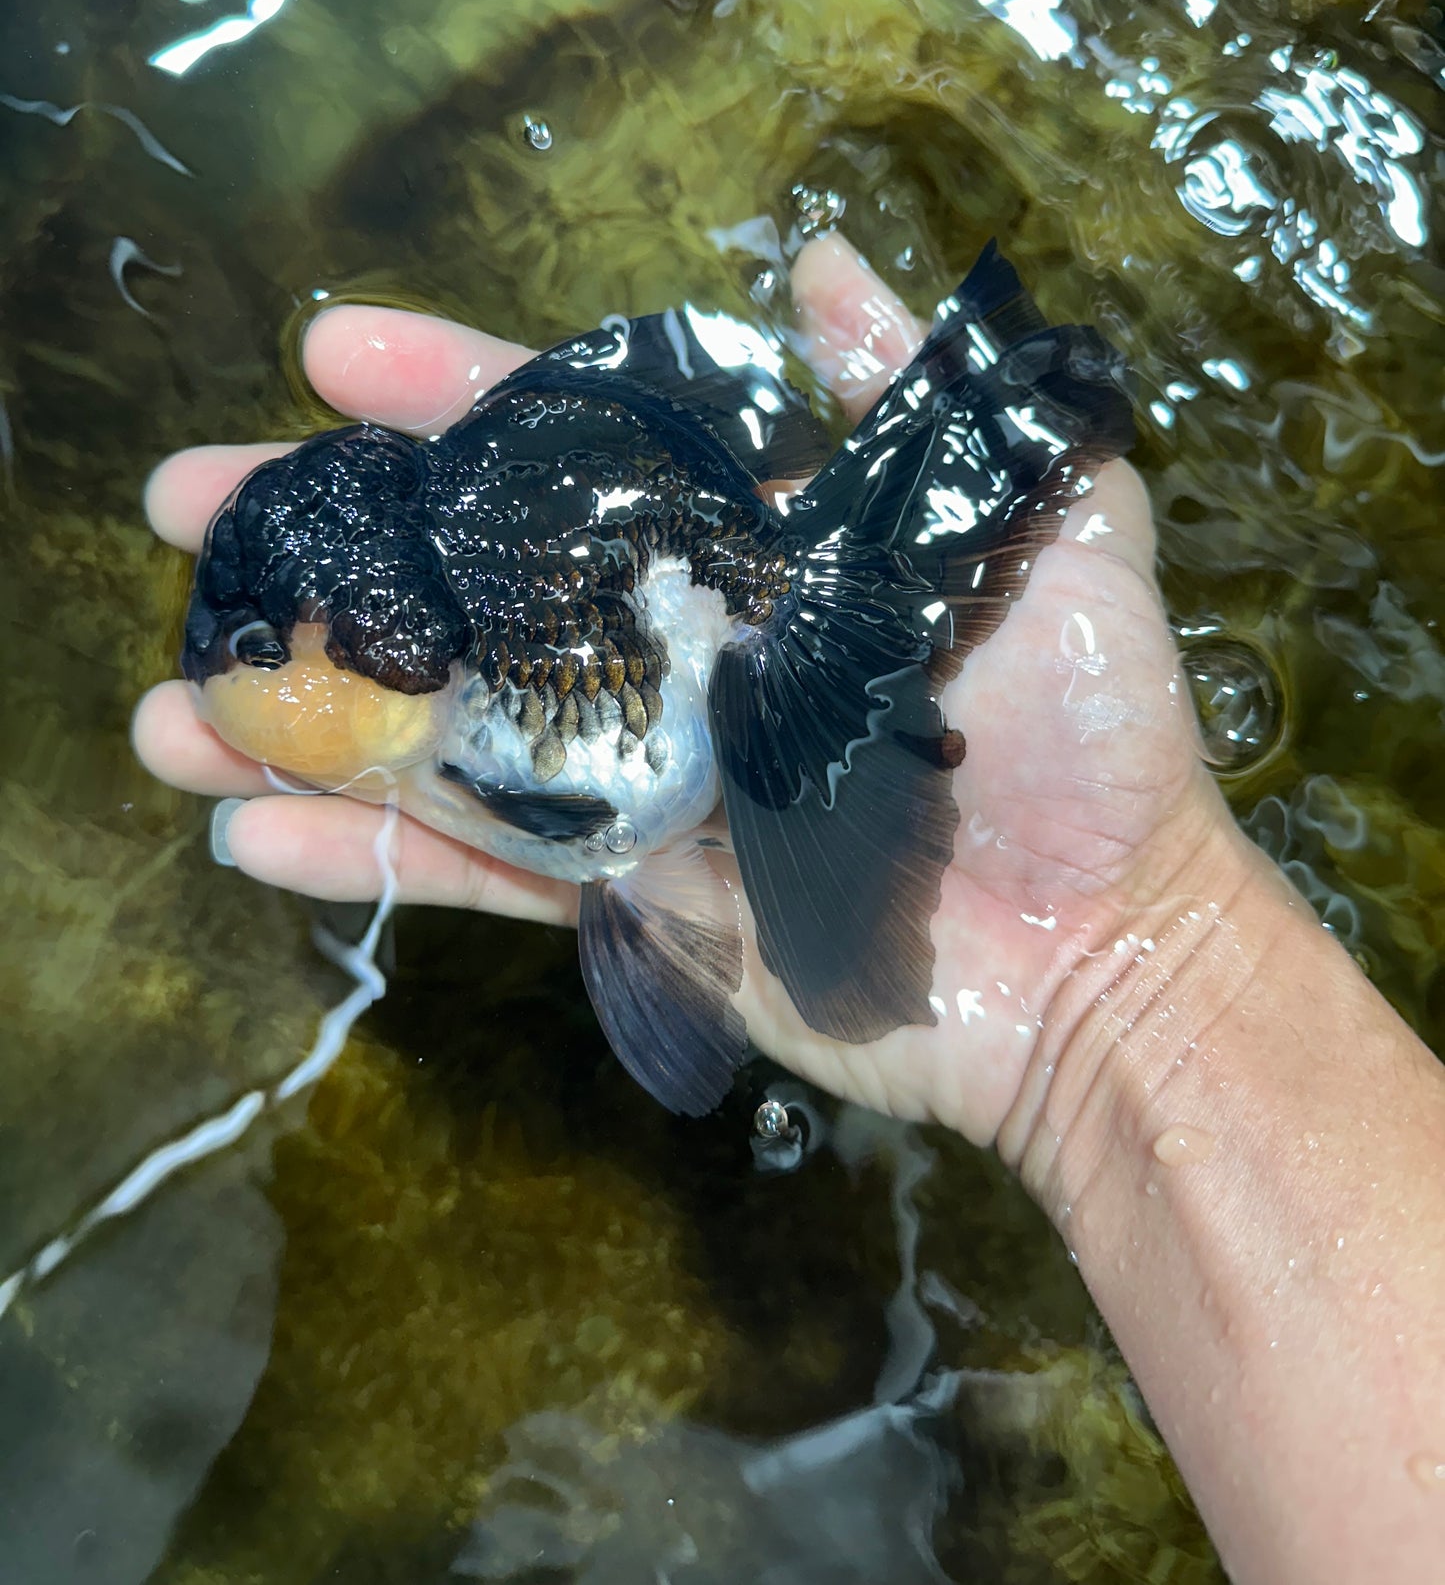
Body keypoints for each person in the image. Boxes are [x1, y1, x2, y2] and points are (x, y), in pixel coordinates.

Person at [132, 233, 1445, 1584]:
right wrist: (1122, 991)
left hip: (707, 654)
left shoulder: (471, 698)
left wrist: (1110, 973)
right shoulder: (436, 673)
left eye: (247, 657)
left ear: (351, 646)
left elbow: (589, 818)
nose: (235, 688)